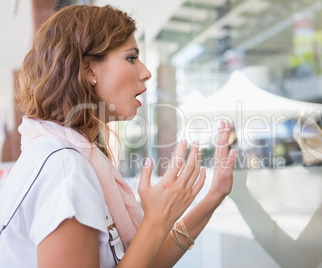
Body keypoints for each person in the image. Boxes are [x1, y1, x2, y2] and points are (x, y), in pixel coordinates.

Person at [0, 5, 236, 268]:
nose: (145, 72)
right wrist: (156, 219)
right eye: (131, 58)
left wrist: (214, 196)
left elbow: (143, 262)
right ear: (89, 70)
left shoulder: (73, 157)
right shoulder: (63, 169)